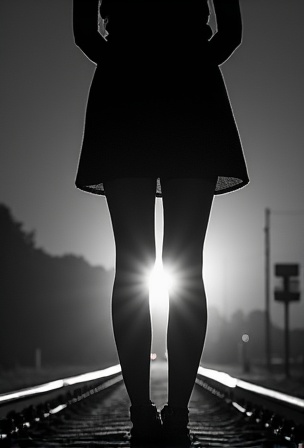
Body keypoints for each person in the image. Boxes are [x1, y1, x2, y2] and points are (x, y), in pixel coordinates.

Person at [73, 0, 249, 446]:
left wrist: (126, 61)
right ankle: (177, 419)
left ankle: (142, 416)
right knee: (187, 265)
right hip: (191, 92)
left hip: (124, 92)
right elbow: (230, 31)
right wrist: (188, 64)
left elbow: (84, 32)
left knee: (132, 263)